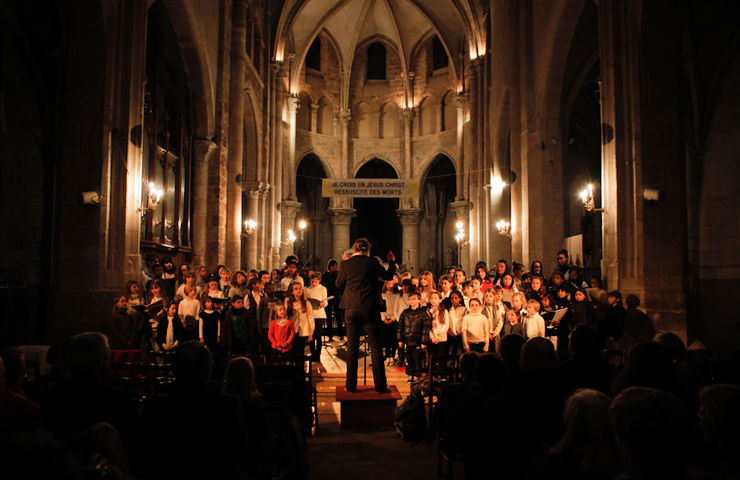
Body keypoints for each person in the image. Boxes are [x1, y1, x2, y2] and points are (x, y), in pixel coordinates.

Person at [336, 238, 396, 393]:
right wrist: (391, 262)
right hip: (370, 307)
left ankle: (350, 386)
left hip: (351, 307)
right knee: (376, 346)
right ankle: (380, 386)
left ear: (353, 249)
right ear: (367, 249)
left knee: (352, 346)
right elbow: (389, 276)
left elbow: (338, 285)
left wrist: (344, 263)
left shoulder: (346, 264)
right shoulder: (373, 262)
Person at [396, 291, 431, 382]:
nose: (412, 301)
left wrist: (424, 341)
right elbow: (400, 326)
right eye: (410, 299)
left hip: (417, 341)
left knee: (417, 359)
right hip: (407, 340)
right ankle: (410, 374)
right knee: (408, 358)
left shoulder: (423, 313)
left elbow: (426, 328)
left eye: (414, 299)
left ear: (419, 300)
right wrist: (400, 339)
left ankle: (416, 375)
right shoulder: (405, 312)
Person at [285, 281, 314, 357]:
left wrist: (310, 333)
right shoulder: (288, 303)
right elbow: (285, 318)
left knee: (300, 352)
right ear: (292, 292)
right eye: (296, 289)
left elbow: (310, 318)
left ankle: (300, 368)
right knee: (291, 353)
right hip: (291, 331)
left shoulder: (306, 303)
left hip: (303, 331)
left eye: (300, 288)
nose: (299, 290)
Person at [304, 272, 327, 361]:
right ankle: (313, 353)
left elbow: (325, 300)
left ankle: (318, 354)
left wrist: (323, 303)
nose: (314, 283)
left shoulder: (323, 289)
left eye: (316, 282)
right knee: (311, 335)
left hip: (320, 314)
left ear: (319, 281)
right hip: (310, 314)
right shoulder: (307, 289)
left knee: (318, 335)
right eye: (312, 281)